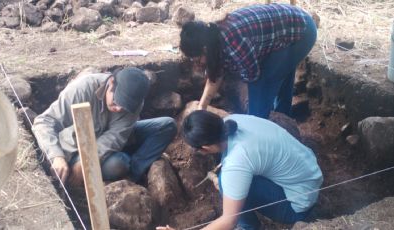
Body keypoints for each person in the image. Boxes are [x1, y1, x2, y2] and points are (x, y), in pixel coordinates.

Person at [158, 110, 323, 229]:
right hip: (310, 174)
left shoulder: (236, 163)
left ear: (205, 147)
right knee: (231, 181)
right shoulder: (234, 120)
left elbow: (228, 220)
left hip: (298, 206)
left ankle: (248, 227)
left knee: (225, 184)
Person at [32, 67, 177, 186]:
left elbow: (115, 137)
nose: (119, 109)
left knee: (167, 125)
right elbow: (43, 121)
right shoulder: (82, 89)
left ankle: (132, 176)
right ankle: (121, 167)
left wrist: (87, 162)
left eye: (124, 107)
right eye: (116, 102)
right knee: (118, 164)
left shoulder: (135, 101)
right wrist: (57, 156)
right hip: (78, 148)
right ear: (111, 83)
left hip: (113, 143)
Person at [180, 3, 317, 118]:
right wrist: (201, 108)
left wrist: (252, 117)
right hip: (285, 30)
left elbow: (254, 79)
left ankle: (261, 125)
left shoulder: (233, 43)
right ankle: (282, 116)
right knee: (280, 71)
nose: (197, 63)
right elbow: (214, 76)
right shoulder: (212, 39)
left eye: (196, 58)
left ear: (204, 48)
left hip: (302, 31)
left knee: (267, 79)